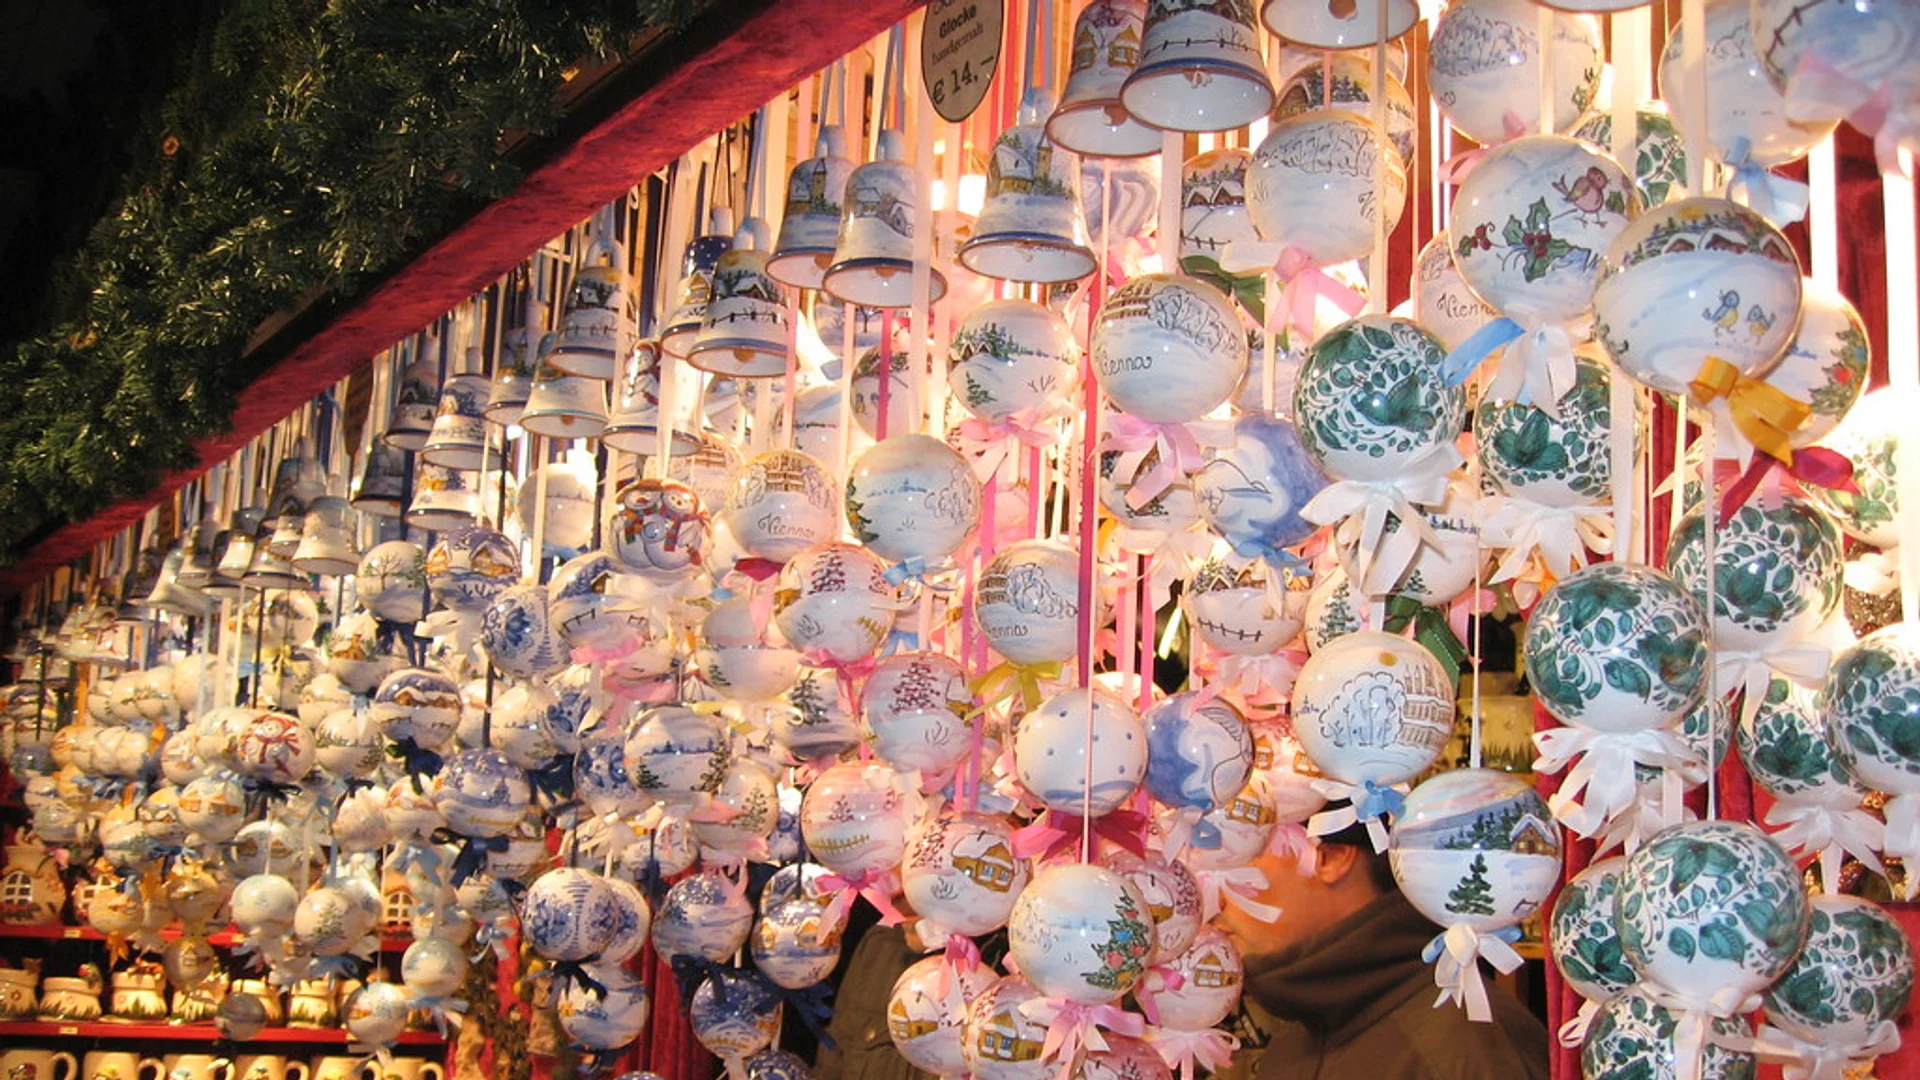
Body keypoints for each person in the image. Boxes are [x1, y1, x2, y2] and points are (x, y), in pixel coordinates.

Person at [1213, 811, 1550, 1080]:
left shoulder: (1467, 1045)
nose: (1214, 895)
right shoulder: (1297, 1039)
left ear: (1328, 859)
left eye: (1237, 862)